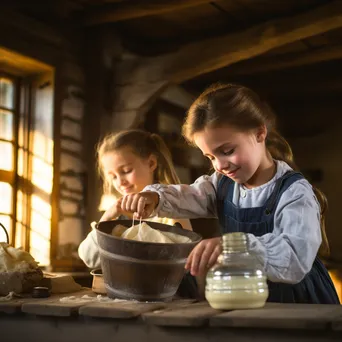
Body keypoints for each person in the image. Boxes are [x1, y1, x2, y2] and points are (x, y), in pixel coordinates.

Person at [118, 83, 340, 304]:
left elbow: (294, 257)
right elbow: (191, 195)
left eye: (227, 151)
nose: (219, 165)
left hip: (294, 299)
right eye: (210, 157)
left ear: (260, 133)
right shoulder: (222, 185)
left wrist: (234, 245)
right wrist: (155, 197)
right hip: (245, 290)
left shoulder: (294, 192)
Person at [78, 129, 192, 269]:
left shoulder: (172, 209)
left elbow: (184, 260)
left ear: (151, 163)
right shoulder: (117, 216)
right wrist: (106, 220)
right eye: (113, 176)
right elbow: (89, 259)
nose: (120, 182)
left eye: (126, 171)